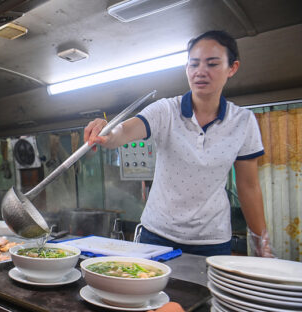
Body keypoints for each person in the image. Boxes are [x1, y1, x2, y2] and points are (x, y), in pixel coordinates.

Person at [84, 30, 273, 257]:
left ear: (232, 68)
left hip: (212, 241)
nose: (200, 71)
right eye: (193, 64)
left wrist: (261, 245)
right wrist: (107, 132)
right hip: (157, 235)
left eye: (212, 64)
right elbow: (125, 130)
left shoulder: (243, 121)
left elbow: (248, 186)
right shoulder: (166, 111)